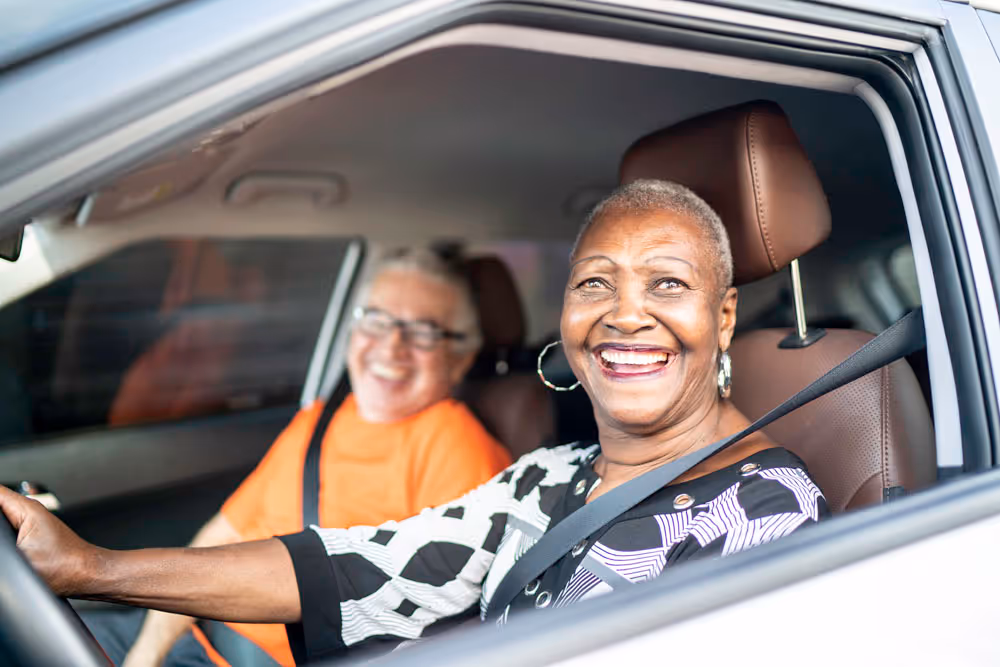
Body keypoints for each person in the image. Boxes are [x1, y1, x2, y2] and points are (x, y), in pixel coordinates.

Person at [0, 180, 828, 665]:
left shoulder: (764, 510)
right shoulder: (551, 475)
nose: (624, 316)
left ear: (723, 317)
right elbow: (361, 568)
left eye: (668, 285)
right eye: (595, 284)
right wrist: (90, 566)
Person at [84, 249, 513, 666]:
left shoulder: (457, 446)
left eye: (423, 332)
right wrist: (145, 655)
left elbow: (447, 627)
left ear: (460, 358)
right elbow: (220, 537)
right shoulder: (320, 419)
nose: (392, 347)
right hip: (196, 635)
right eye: (377, 320)